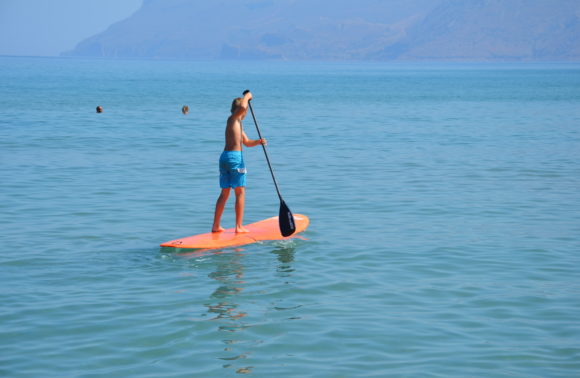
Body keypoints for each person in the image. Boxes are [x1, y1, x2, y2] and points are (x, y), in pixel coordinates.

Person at [212, 91, 266, 233]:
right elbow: (242, 108)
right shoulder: (233, 118)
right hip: (235, 159)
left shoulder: (237, 123)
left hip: (225, 158)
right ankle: (239, 227)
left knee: (224, 193)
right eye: (245, 108)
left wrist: (259, 142)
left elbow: (247, 142)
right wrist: (248, 96)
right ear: (241, 109)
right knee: (240, 192)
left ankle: (216, 226)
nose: (246, 110)